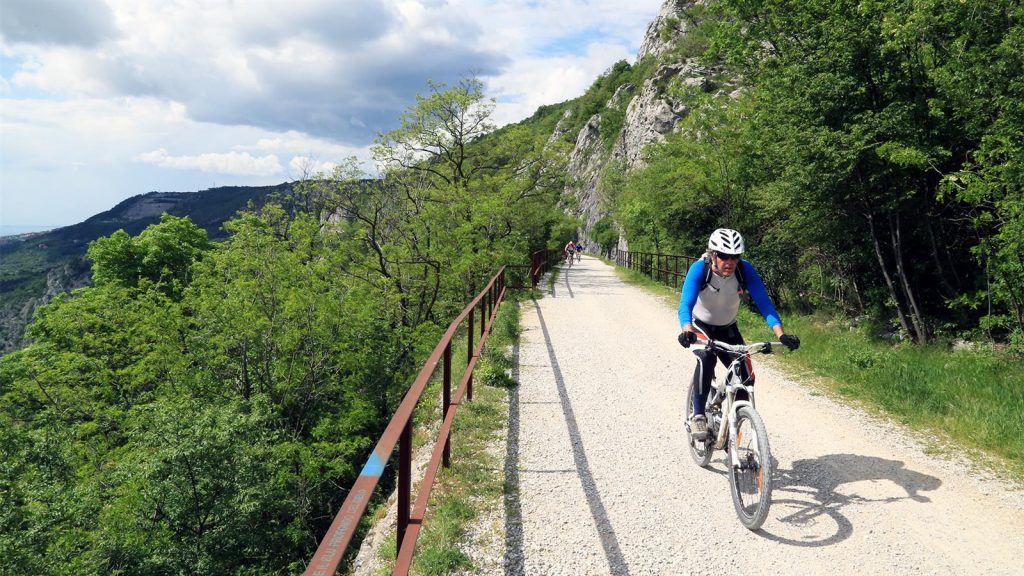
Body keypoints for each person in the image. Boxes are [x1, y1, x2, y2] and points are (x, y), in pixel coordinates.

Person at [677, 228, 800, 439]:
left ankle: (734, 421)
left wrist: (781, 335)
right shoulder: (700, 269)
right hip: (700, 326)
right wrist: (687, 330)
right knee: (706, 359)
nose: (730, 261)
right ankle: (698, 415)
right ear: (713, 254)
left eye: (735, 256)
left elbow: (765, 304)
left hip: (728, 328)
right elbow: (685, 304)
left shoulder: (744, 270)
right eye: (724, 256)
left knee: (746, 380)